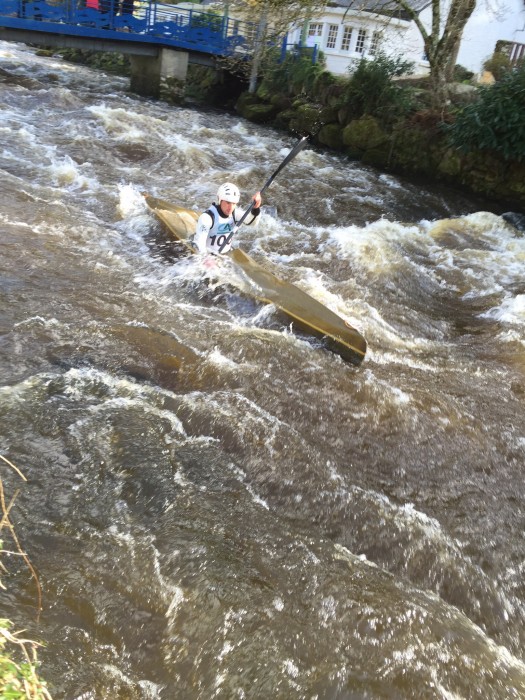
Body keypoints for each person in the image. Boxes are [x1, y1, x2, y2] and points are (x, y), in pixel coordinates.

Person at [193, 182, 262, 256]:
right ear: (220, 200)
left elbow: (251, 222)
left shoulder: (235, 214)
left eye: (234, 203)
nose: (231, 208)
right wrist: (206, 258)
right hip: (208, 255)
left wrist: (256, 208)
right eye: (228, 203)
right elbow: (199, 242)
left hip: (225, 255)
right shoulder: (207, 218)